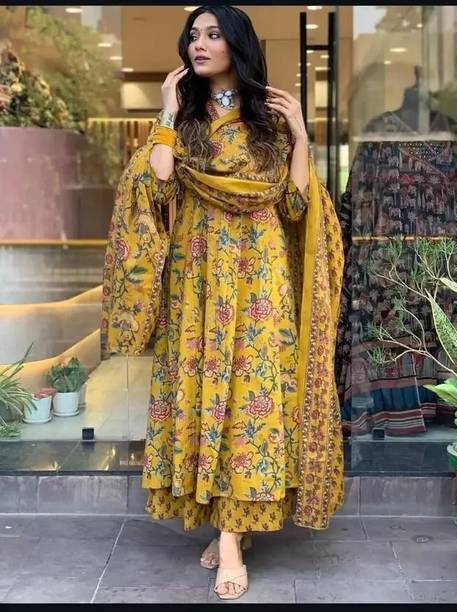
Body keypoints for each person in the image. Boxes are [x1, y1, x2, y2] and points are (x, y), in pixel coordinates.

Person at [101, 5, 345, 600]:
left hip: (259, 284)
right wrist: (165, 110)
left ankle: (233, 539)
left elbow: (296, 208)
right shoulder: (184, 123)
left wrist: (301, 136)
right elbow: (156, 185)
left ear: (237, 43)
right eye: (193, 35)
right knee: (205, 400)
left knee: (249, 403)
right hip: (197, 283)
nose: (199, 43)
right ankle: (230, 527)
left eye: (213, 34)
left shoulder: (269, 122)